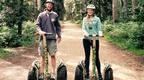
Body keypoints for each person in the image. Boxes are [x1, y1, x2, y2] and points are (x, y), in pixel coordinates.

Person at [36, 0, 61, 79]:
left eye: (51, 4)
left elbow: (58, 26)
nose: (49, 5)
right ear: (45, 5)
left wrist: (59, 35)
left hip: (52, 39)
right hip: (43, 39)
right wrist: (40, 31)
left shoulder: (55, 15)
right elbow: (37, 25)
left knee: (53, 55)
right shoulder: (41, 15)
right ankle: (41, 73)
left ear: (52, 6)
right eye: (48, 4)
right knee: (43, 56)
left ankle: (53, 73)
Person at [82, 4, 103, 80]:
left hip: (95, 39)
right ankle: (87, 74)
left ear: (93, 11)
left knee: (96, 56)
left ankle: (99, 74)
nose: (90, 11)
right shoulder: (85, 19)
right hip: (86, 39)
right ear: (87, 10)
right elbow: (83, 29)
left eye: (91, 10)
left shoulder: (97, 19)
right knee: (87, 57)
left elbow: (99, 28)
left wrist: (100, 34)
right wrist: (87, 35)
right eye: (89, 10)